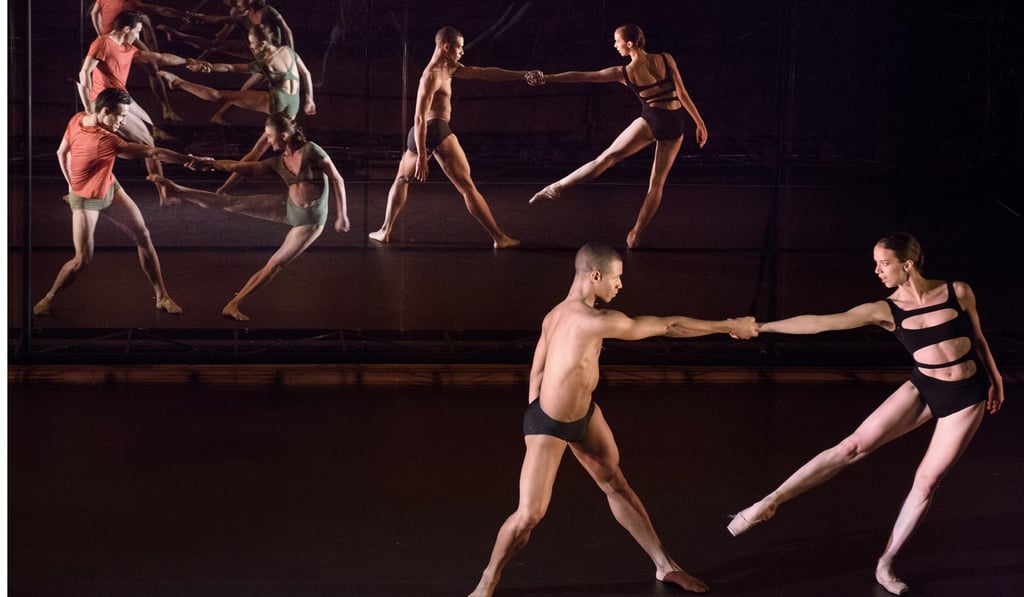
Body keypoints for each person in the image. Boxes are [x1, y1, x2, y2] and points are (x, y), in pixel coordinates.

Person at [468, 242, 758, 596]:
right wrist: (728, 325)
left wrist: (541, 402)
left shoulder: (556, 313)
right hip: (549, 426)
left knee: (616, 484)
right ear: (595, 276)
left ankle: (665, 566)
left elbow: (538, 368)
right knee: (529, 515)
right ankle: (487, 582)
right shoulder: (594, 320)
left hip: (585, 416)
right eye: (616, 278)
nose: (620, 285)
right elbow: (670, 326)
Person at [726, 232, 1005, 595]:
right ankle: (769, 503)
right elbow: (821, 322)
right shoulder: (885, 309)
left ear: (907, 265)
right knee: (851, 447)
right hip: (923, 386)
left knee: (926, 481)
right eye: (875, 263)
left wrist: (996, 380)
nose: (877, 270)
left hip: (966, 396)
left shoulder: (958, 291)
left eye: (883, 263)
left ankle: (886, 563)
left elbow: (979, 339)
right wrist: (761, 328)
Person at [147, 113, 349, 321]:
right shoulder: (279, 161)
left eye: (270, 136)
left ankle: (234, 304)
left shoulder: (311, 150)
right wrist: (210, 163)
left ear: (284, 135)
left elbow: (337, 178)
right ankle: (178, 190)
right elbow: (242, 167)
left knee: (274, 264)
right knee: (231, 203)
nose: (268, 141)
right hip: (288, 207)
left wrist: (342, 215)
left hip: (310, 221)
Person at [525, 24, 707, 249]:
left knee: (607, 158)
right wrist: (700, 124)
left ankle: (557, 188)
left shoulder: (624, 72)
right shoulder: (666, 58)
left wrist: (548, 78)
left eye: (616, 41)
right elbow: (682, 93)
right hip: (677, 122)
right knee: (657, 183)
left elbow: (582, 76)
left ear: (630, 44)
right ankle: (635, 234)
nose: (615, 45)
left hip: (653, 120)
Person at [33, 88, 210, 317]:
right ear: (105, 111)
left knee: (143, 236)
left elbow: (61, 153)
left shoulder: (78, 119)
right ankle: (50, 297)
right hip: (87, 200)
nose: (123, 122)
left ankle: (162, 297)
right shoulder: (106, 140)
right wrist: (189, 160)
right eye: (120, 116)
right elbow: (153, 152)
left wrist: (69, 182)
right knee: (82, 259)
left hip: (110, 188)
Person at [368, 26, 522, 249]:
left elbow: (484, 72)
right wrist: (422, 155)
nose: (462, 52)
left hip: (428, 132)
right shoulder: (431, 75)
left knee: (401, 180)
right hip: (433, 130)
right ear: (446, 46)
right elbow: (419, 117)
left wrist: (521, 75)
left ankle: (385, 231)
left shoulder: (449, 68)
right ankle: (499, 238)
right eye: (459, 48)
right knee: (467, 187)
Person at [79, 9, 208, 205]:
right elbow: (84, 74)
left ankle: (162, 193)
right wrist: (90, 107)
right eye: (137, 32)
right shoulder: (103, 43)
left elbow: (159, 57)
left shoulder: (127, 48)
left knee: (151, 134)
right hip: (107, 103)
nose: (138, 37)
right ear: (127, 28)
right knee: (147, 143)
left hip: (123, 98)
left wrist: (189, 62)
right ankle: (163, 195)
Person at [158, 23, 315, 124]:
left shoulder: (266, 62)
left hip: (276, 100)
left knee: (219, 95)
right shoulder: (288, 50)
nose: (252, 48)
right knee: (271, 140)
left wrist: (210, 67)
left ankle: (177, 82)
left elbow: (230, 68)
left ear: (263, 43)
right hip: (295, 104)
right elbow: (306, 74)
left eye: (253, 45)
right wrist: (309, 100)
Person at [89, 0, 186, 122]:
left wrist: (100, 33)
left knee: (151, 64)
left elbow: (94, 13)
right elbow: (161, 10)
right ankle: (166, 109)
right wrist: (186, 16)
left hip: (116, 38)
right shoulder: (130, 4)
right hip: (119, 39)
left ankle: (166, 110)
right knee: (151, 66)